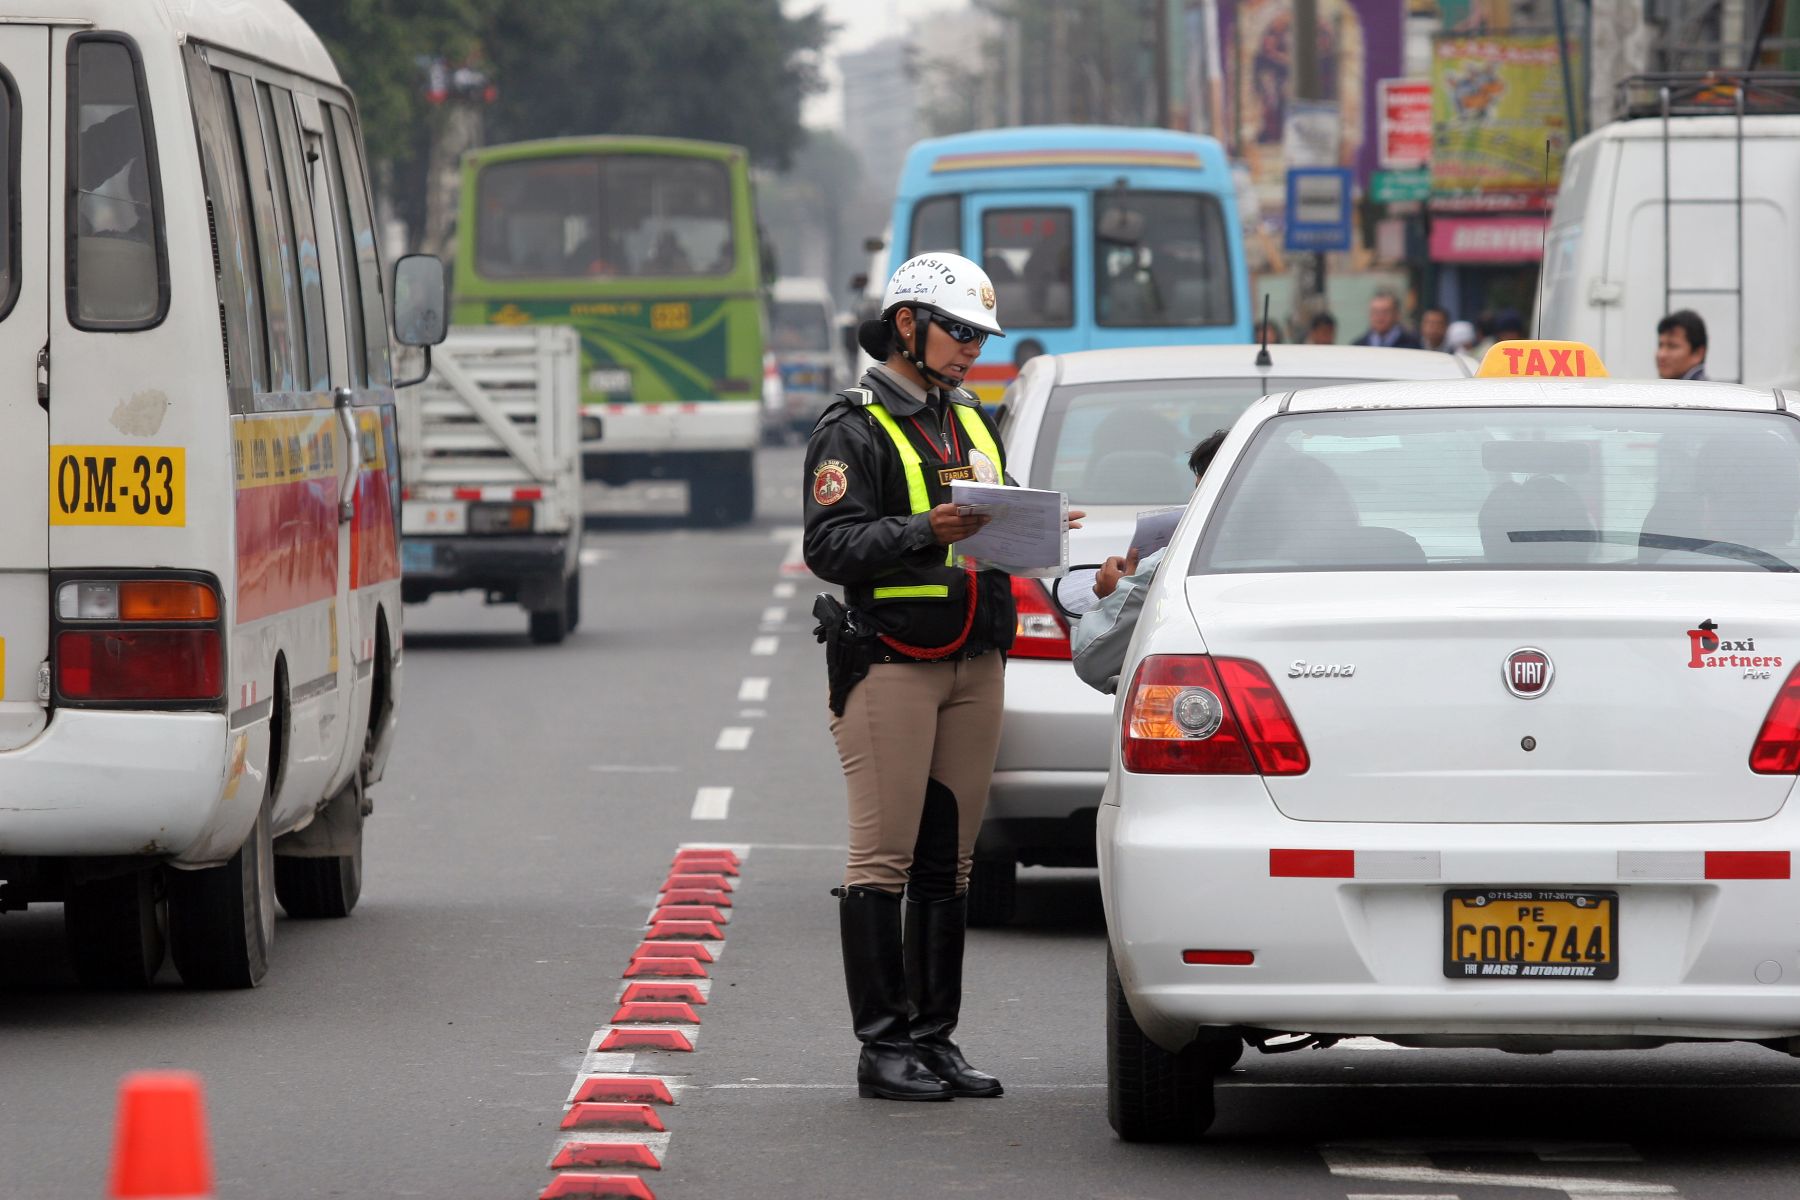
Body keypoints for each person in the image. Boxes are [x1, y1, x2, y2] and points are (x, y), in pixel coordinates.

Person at [804, 252, 1080, 1103]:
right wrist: (927, 526)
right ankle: (882, 1047)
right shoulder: (851, 426)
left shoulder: (970, 419)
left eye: (980, 336)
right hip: (891, 661)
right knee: (882, 860)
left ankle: (935, 1040)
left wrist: (1034, 528)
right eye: (959, 332)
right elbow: (830, 546)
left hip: (974, 659)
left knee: (950, 864)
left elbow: (986, 530)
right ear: (906, 326)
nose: (972, 349)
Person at [1071, 431, 1228, 693]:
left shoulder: (1175, 562)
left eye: (1199, 490)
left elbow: (1092, 658)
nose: (1192, 501)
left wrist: (1116, 596)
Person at [1352, 291, 1423, 348]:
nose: (1379, 317)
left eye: (1385, 312)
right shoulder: (1358, 346)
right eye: (1375, 312)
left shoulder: (1412, 345)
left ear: (1397, 315)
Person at [1656, 309, 1709, 380]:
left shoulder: (1699, 390)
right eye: (1660, 345)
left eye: (1672, 346)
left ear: (1698, 353)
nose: (1661, 355)